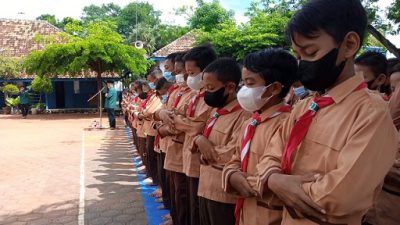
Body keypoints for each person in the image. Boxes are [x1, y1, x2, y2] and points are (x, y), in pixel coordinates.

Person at [255, 0, 398, 224]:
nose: (301, 64)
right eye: (298, 55)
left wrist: (275, 182)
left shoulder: (372, 113)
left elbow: (342, 197)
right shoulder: (304, 106)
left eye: (310, 52)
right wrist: (274, 179)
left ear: (349, 45)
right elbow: (269, 155)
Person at [222, 48, 297, 225]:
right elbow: (236, 157)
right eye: (243, 83)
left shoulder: (287, 123)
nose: (244, 90)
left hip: (271, 216)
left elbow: (281, 172)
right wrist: (231, 174)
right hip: (245, 212)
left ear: (275, 88)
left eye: (250, 83)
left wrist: (248, 183)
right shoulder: (252, 122)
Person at [195, 58, 250, 225]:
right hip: (205, 186)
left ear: (230, 87)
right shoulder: (217, 111)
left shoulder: (244, 114)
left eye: (211, 88)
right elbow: (202, 138)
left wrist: (207, 149)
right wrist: (199, 139)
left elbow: (234, 152)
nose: (206, 93)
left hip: (223, 194)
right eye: (205, 88)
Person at [173, 44, 217, 225]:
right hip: (188, 158)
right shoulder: (195, 95)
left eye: (191, 73)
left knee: (196, 209)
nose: (187, 77)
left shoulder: (212, 97)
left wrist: (176, 121)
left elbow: (196, 127)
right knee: (189, 203)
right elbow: (178, 114)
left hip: (200, 164)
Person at [156, 52, 194, 225]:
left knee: (183, 195)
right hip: (172, 147)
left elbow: (184, 123)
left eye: (183, 71)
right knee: (176, 189)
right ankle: (175, 216)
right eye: (177, 71)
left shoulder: (195, 94)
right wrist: (162, 116)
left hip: (182, 150)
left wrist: (166, 123)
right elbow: (164, 112)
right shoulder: (177, 91)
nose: (178, 75)